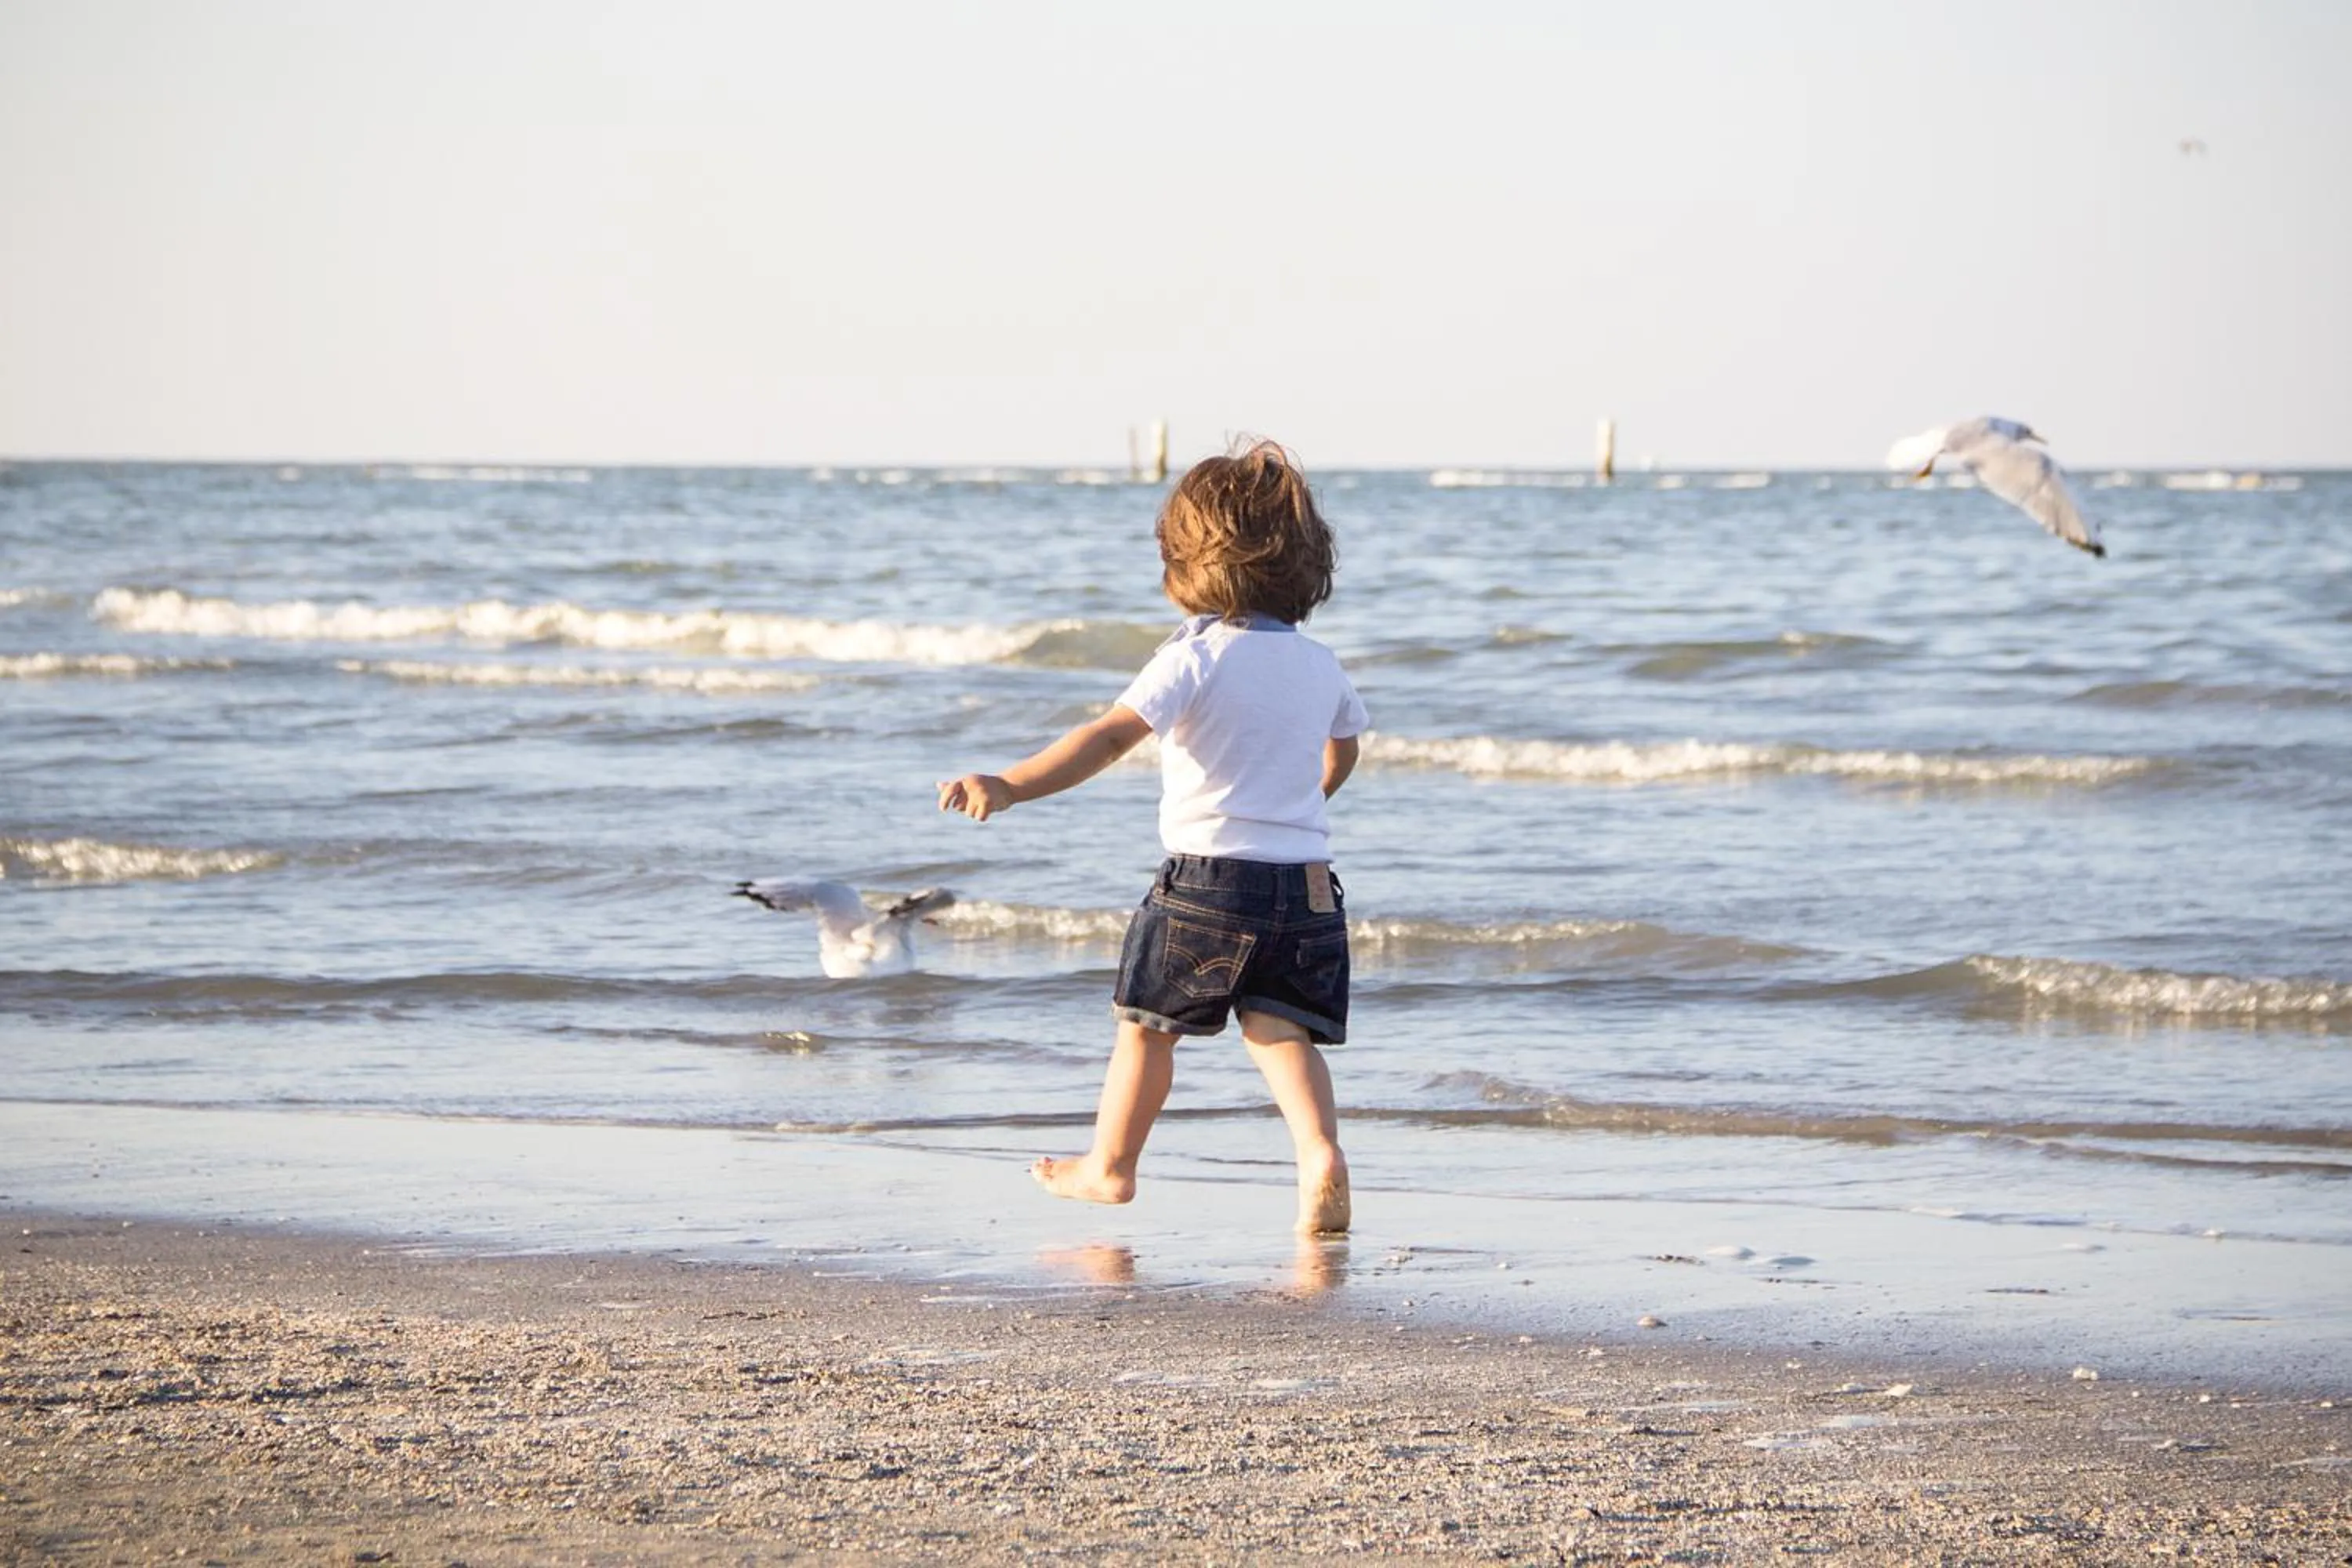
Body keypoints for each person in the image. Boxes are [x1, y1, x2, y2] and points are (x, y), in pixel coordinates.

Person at [938, 438, 1367, 1235]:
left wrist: (1011, 783)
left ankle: (1110, 1166)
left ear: (1188, 564)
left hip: (1208, 885)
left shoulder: (1193, 657)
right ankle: (1319, 1153)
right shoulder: (1320, 663)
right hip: (1306, 886)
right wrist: (1308, 794)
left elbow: (1107, 737)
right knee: (1282, 1032)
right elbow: (1342, 749)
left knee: (1146, 1026)